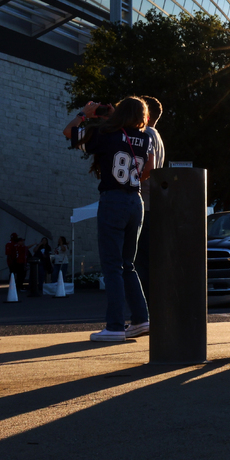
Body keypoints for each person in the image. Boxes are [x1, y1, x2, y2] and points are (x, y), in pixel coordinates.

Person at [64, 97, 154, 341]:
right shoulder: (146, 138)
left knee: (112, 266)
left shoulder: (106, 133)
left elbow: (69, 132)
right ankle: (141, 319)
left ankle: (115, 326)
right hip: (136, 200)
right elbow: (148, 169)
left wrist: (84, 114)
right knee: (128, 265)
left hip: (113, 199)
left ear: (120, 112)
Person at [135, 96, 166, 306]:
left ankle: (144, 310)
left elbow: (149, 168)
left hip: (144, 205)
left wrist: (132, 179)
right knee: (148, 261)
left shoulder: (145, 134)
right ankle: (152, 309)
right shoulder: (157, 135)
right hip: (154, 205)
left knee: (140, 262)